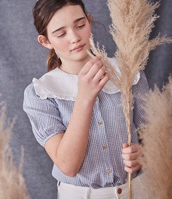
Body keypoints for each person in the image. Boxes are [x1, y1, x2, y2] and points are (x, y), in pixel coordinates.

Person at [23, 0, 149, 198]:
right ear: (45, 41)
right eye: (61, 33)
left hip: (139, 190)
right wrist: (84, 98)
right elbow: (68, 166)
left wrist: (143, 154)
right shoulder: (41, 93)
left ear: (89, 21)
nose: (75, 37)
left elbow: (152, 136)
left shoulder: (128, 73)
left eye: (80, 25)